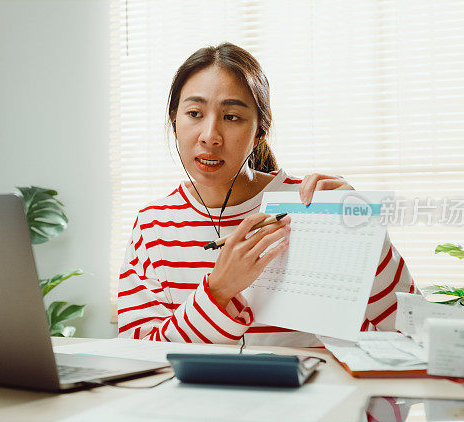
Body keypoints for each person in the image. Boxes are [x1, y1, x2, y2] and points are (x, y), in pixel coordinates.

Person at [117, 42, 414, 347]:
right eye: (194, 113)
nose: (210, 136)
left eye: (232, 116)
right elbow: (139, 354)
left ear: (259, 130)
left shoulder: (311, 204)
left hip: (316, 392)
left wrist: (363, 236)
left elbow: (408, 330)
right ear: (174, 120)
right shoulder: (152, 225)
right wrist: (218, 291)